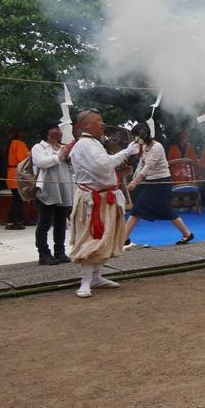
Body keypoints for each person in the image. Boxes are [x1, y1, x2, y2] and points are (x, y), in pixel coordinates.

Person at [62, 110, 142, 297]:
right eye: (98, 120)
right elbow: (102, 165)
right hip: (93, 200)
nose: (103, 123)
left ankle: (97, 277)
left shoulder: (93, 144)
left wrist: (120, 175)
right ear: (86, 125)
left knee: (105, 237)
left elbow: (101, 172)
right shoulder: (84, 144)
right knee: (92, 237)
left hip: (106, 197)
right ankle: (85, 282)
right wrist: (127, 151)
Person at [124, 123, 195, 247]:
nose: (134, 140)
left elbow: (148, 167)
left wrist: (135, 182)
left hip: (161, 182)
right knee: (166, 211)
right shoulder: (145, 147)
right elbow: (141, 165)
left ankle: (123, 238)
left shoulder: (157, 147)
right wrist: (134, 179)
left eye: (135, 136)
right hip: (153, 182)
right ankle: (187, 233)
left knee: (137, 209)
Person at [30, 123, 74, 265]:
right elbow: (42, 163)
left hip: (64, 189)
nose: (58, 131)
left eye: (59, 129)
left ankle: (60, 252)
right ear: (47, 132)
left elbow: (74, 168)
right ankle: (44, 254)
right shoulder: (39, 147)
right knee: (44, 223)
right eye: (54, 128)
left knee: (61, 223)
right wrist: (59, 156)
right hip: (47, 190)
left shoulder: (64, 147)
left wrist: (69, 158)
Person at [4, 129, 32, 229]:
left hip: (12, 173)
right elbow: (23, 159)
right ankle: (12, 221)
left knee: (18, 198)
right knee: (18, 198)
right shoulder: (18, 143)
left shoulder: (11, 144)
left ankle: (20, 219)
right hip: (16, 173)